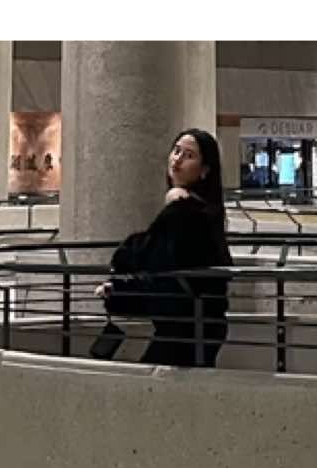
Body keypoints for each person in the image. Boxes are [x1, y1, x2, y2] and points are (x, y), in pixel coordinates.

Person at [99, 129, 231, 367]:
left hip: (186, 324)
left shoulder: (185, 210)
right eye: (176, 150)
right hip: (198, 322)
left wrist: (119, 288)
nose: (177, 159)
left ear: (205, 170)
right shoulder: (206, 211)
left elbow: (153, 260)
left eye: (189, 155)